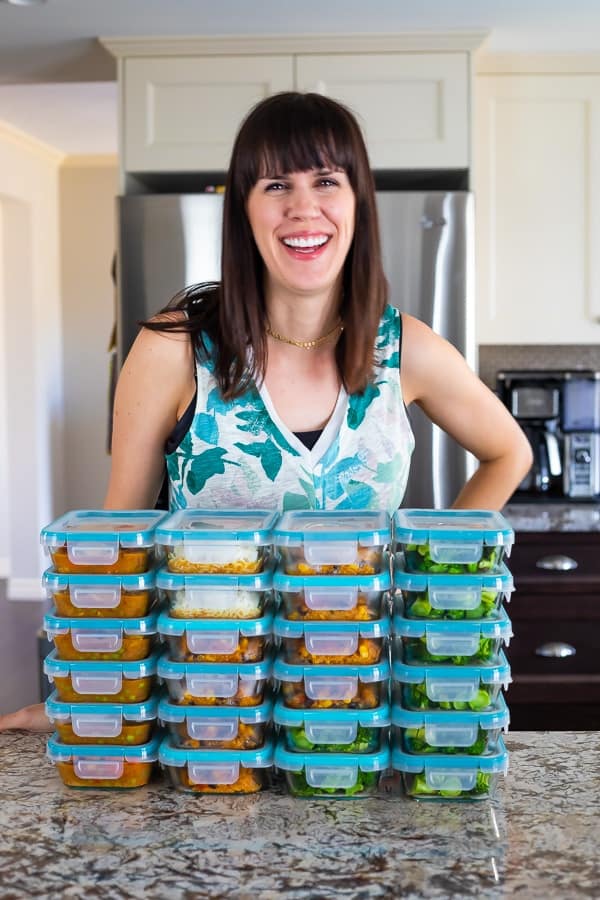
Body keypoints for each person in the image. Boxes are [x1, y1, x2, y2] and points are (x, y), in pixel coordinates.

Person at [0, 91, 532, 733]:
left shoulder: (404, 350)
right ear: (244, 211)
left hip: (354, 711)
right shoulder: (175, 349)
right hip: (208, 709)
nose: (303, 208)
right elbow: (124, 544)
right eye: (276, 183)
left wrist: (432, 571)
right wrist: (87, 697)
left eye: (327, 181)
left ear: (358, 202)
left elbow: (510, 451)